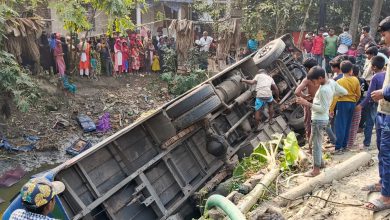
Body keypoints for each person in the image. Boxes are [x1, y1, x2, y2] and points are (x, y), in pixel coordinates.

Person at [296, 66, 347, 177]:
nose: (313, 84)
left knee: (316, 145)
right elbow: (344, 92)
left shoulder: (324, 90)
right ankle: (321, 164)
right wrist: (331, 96)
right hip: (323, 119)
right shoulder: (331, 83)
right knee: (313, 142)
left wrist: (306, 103)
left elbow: (323, 109)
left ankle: (316, 170)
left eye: (314, 81)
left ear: (320, 78)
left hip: (319, 119)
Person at [364, 16, 390, 211]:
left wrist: (385, 92)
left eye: (384, 34)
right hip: (384, 111)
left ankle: (387, 197)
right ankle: (384, 183)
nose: (383, 38)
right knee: (382, 153)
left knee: (388, 154)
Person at [330, 60, 361, 154]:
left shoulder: (339, 81)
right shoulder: (355, 79)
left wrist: (331, 109)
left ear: (341, 70)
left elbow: (335, 96)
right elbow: (358, 94)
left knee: (340, 126)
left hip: (342, 103)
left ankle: (338, 147)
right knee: (347, 125)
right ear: (351, 70)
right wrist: (354, 102)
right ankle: (344, 146)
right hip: (352, 103)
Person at [356, 56, 386, 150]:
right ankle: (381, 143)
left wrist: (361, 105)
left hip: (373, 102)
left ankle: (366, 144)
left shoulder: (375, 77)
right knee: (381, 124)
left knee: (369, 123)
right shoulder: (385, 74)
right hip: (383, 103)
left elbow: (370, 94)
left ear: (374, 67)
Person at [295, 58, 320, 146]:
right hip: (320, 102)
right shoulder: (322, 76)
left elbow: (297, 91)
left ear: (307, 68)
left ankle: (310, 143)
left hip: (310, 102)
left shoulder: (307, 79)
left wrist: (304, 97)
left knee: (308, 123)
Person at [346, 65, 368, 149]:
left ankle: (347, 142)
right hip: (360, 103)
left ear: (351, 72)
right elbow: (366, 91)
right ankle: (351, 142)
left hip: (350, 103)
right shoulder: (362, 80)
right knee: (355, 125)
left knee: (349, 123)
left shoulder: (350, 80)